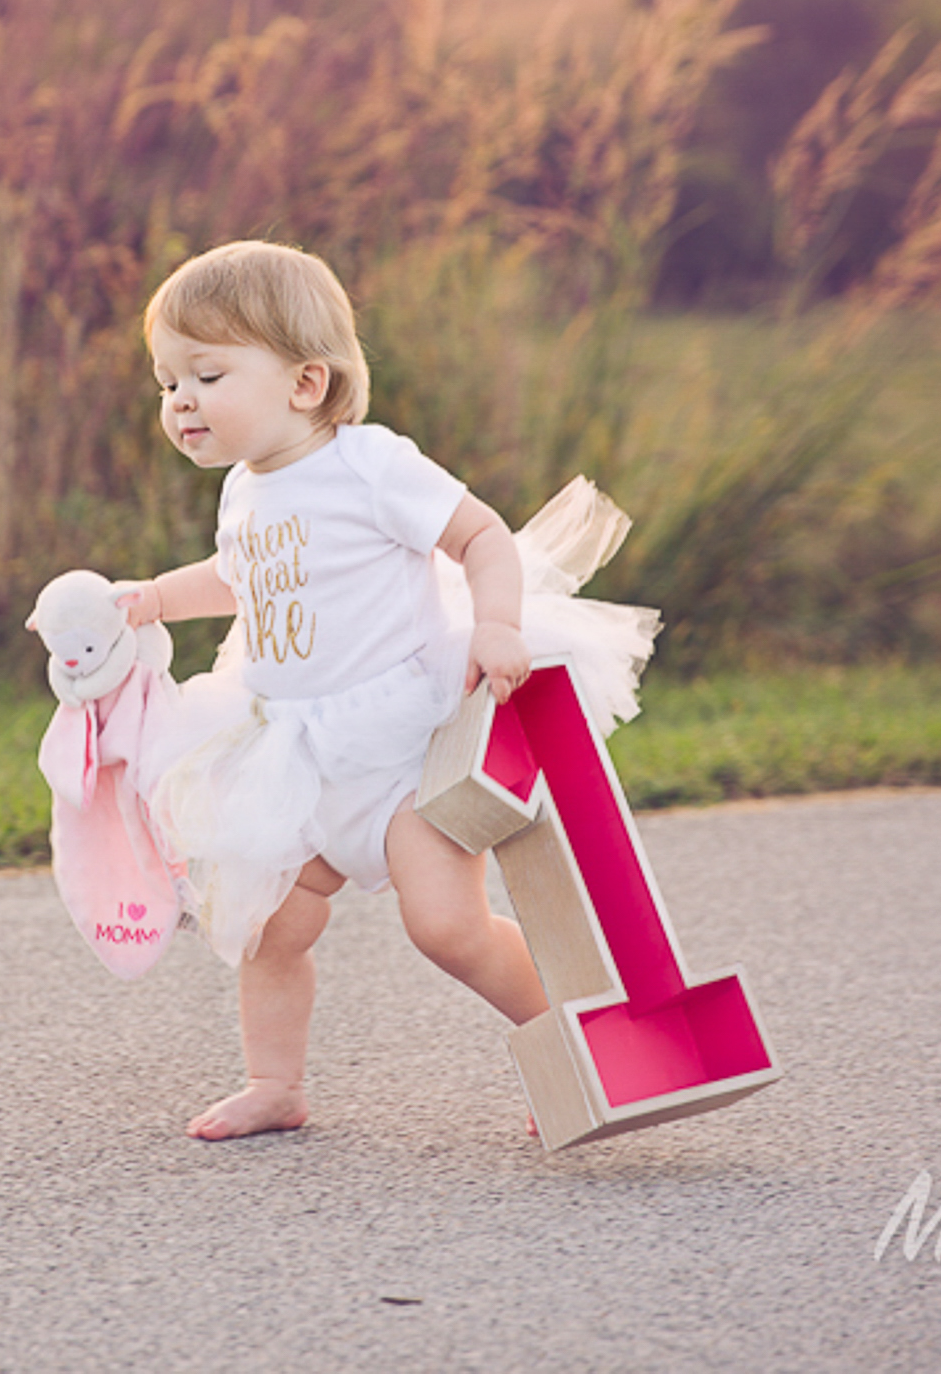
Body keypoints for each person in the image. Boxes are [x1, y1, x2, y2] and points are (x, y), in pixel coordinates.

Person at [109, 239, 655, 1140]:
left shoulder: (371, 464)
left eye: (206, 375)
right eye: (167, 383)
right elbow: (242, 576)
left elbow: (481, 537)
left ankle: (583, 1046)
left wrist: (496, 623)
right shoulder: (246, 491)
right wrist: (156, 599)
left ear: (306, 384)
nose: (180, 402)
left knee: (447, 926)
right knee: (268, 925)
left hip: (404, 747)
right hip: (301, 757)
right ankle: (274, 1084)